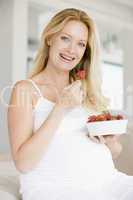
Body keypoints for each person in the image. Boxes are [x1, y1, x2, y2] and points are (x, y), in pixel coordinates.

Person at [8, 8, 133, 200]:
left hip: (110, 183)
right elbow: (23, 163)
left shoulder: (86, 89)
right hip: (57, 189)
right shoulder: (25, 90)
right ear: (50, 38)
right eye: (65, 38)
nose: (72, 50)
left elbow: (115, 152)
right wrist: (60, 108)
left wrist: (109, 141)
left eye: (81, 44)